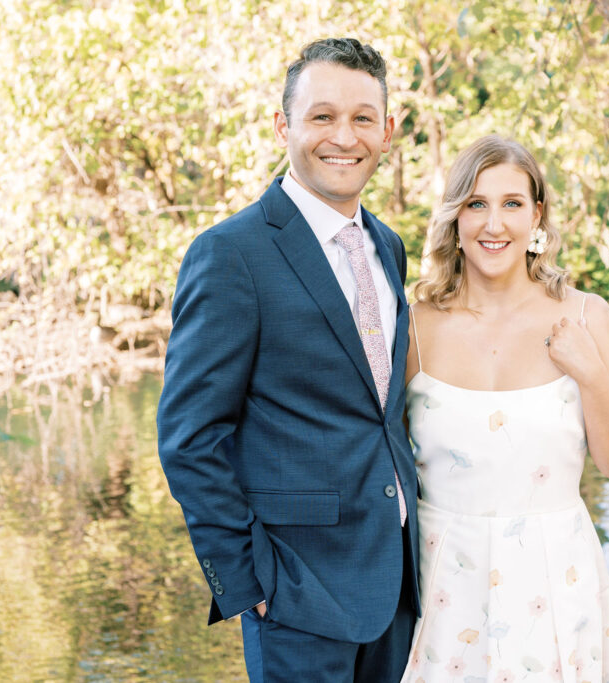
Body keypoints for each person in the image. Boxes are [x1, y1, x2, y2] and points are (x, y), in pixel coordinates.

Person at [156, 38, 419, 682]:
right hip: (296, 596)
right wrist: (244, 582)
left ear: (386, 132)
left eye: (362, 118)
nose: (344, 137)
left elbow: (383, 414)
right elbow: (189, 439)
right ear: (284, 126)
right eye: (322, 116)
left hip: (398, 583)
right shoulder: (231, 254)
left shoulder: (388, 247)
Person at [400, 135, 609, 681]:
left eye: (512, 203)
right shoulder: (413, 326)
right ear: (455, 218)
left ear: (537, 214)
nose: (495, 224)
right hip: (444, 589)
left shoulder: (588, 317)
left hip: (558, 583)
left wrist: (591, 375)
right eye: (477, 204)